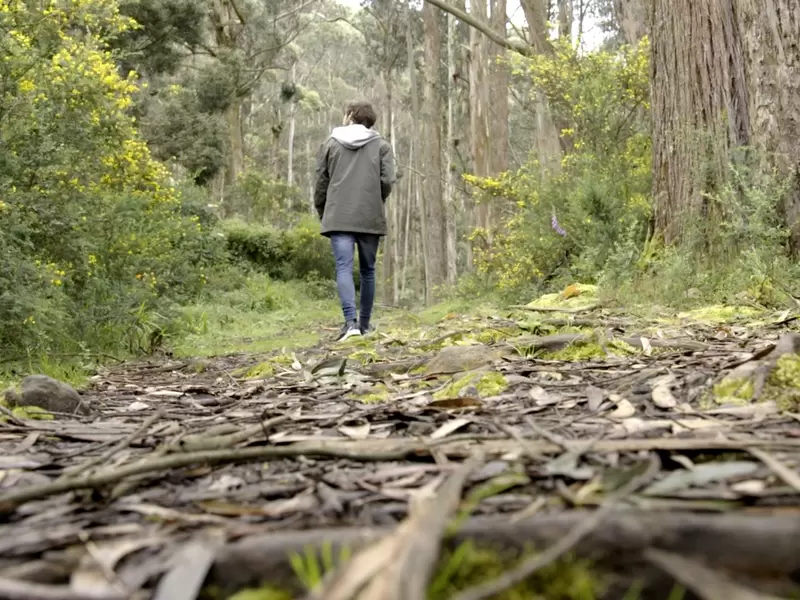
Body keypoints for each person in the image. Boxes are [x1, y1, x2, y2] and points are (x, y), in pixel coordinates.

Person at [314, 100, 396, 341]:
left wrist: (323, 210)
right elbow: (387, 180)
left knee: (344, 267)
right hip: (369, 215)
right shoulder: (382, 146)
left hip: (339, 215)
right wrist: (376, 200)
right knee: (368, 270)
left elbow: (321, 181)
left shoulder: (331, 143)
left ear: (350, 115)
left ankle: (350, 324)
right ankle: (365, 325)